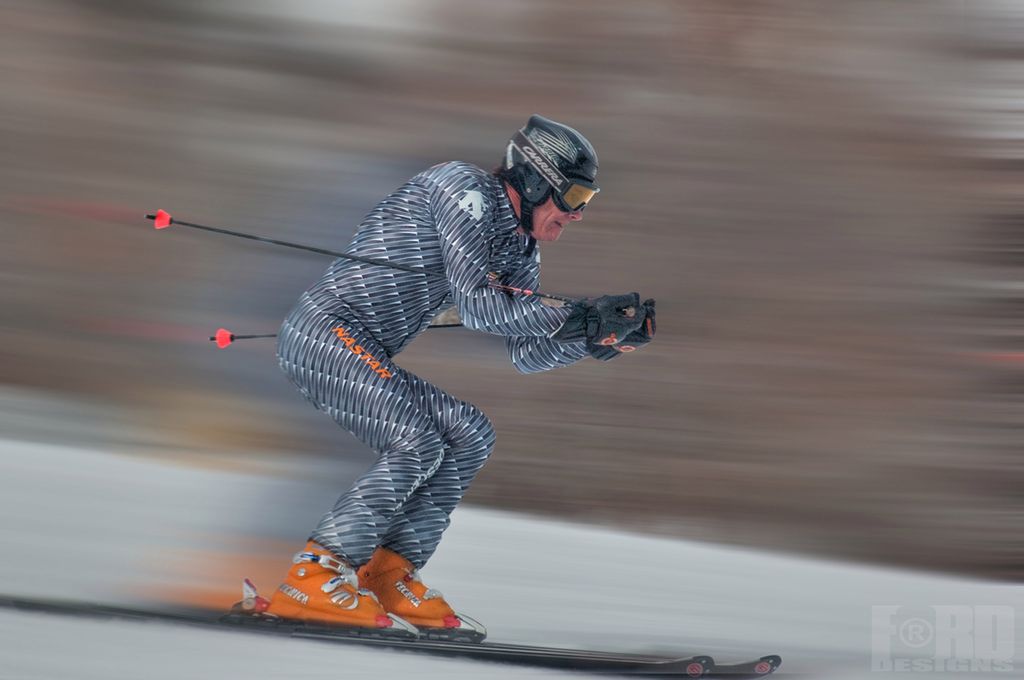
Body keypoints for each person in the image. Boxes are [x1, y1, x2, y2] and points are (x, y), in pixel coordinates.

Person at [265, 114, 656, 637]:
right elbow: (477, 306)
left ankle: (387, 572)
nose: (578, 214)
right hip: (325, 331)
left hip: (362, 348)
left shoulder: (520, 247)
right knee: (416, 440)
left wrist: (591, 341)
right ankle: (311, 578)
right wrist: (578, 318)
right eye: (575, 197)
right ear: (536, 179)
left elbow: (524, 353)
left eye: (587, 201)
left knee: (471, 434)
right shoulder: (463, 188)